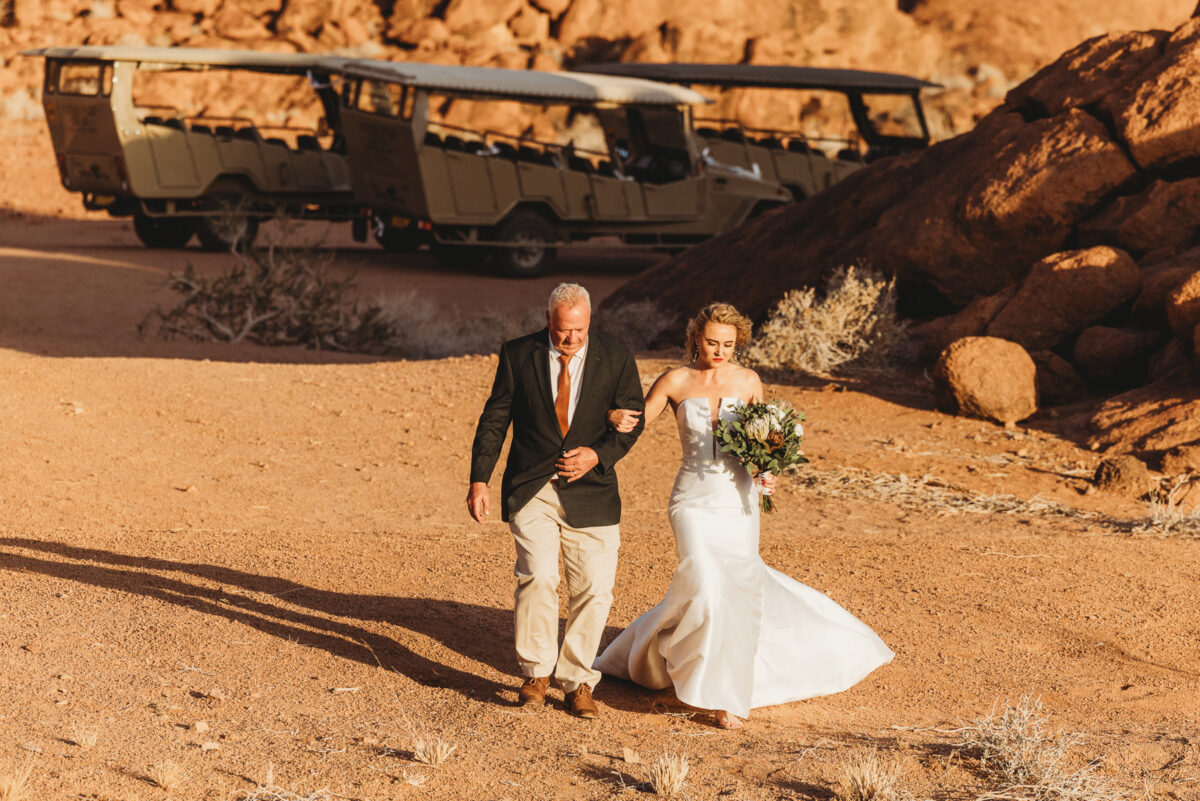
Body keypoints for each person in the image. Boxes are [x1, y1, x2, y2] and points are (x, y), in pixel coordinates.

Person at [594, 302, 893, 729]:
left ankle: (724, 696)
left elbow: (766, 443)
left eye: (729, 345)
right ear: (696, 337)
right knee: (701, 577)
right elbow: (637, 421)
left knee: (735, 591)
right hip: (692, 498)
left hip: (739, 499)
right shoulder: (675, 379)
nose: (720, 351)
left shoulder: (749, 381)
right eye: (713, 342)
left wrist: (768, 471)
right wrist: (612, 416)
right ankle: (651, 658)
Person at [467, 283, 645, 719]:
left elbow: (632, 421)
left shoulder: (616, 356)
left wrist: (597, 454)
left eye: (580, 330)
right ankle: (536, 673)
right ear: (549, 321)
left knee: (594, 590)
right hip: (533, 486)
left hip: (593, 491)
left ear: (589, 322)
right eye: (564, 330)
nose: (571, 339)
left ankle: (577, 680)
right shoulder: (518, 354)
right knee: (538, 576)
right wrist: (479, 480)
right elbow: (495, 420)